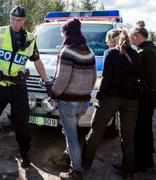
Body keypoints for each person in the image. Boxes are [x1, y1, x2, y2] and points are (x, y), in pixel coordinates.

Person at [0, 5, 50, 168]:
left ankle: (24, 153)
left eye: (18, 20)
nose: (15, 23)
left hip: (18, 86)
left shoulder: (30, 39)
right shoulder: (1, 32)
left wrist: (47, 81)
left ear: (24, 20)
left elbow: (38, 62)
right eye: (12, 19)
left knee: (22, 123)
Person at [82, 30, 141, 178]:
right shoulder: (136, 55)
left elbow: (106, 78)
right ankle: (129, 168)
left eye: (108, 40)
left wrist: (100, 95)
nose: (107, 43)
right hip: (131, 100)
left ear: (114, 39)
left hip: (110, 98)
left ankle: (85, 163)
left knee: (96, 131)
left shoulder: (110, 53)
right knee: (127, 136)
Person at [50, 18, 96, 179]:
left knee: (72, 137)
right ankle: (68, 156)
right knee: (72, 133)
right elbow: (93, 78)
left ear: (67, 32)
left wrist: (53, 92)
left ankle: (76, 171)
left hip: (68, 103)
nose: (62, 35)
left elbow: (62, 80)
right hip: (82, 103)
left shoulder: (67, 51)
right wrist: (84, 92)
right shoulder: (89, 51)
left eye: (63, 32)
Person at [130, 21, 156, 171]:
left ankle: (141, 164)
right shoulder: (154, 49)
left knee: (140, 131)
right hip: (152, 96)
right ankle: (148, 161)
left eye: (132, 38)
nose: (131, 41)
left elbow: (139, 78)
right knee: (146, 129)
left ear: (137, 36)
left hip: (145, 98)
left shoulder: (143, 52)